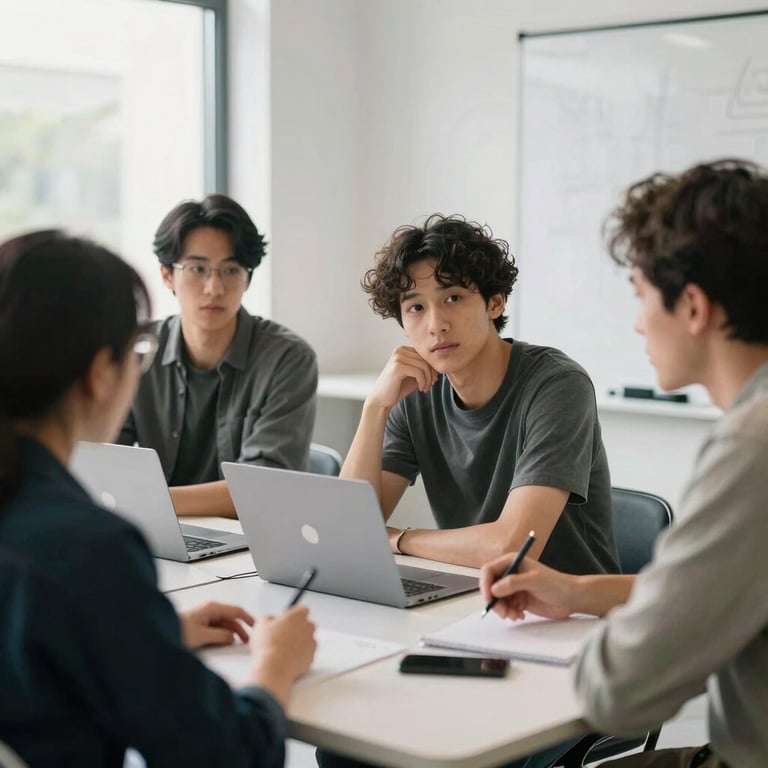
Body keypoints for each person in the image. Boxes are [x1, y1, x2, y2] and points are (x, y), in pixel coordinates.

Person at [481, 159, 768, 768]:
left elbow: (622, 691)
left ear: (692, 306)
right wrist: (577, 591)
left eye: (640, 295)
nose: (636, 322)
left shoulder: (753, 445)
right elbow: (721, 588)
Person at [0, 231, 317, 766]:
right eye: (136, 354)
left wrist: (151, 632)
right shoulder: (90, 549)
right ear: (102, 374)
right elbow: (228, 756)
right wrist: (274, 668)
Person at [341, 213, 619, 572]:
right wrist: (375, 407)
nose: (436, 324)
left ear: (495, 303)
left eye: (453, 297)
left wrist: (397, 539)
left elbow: (512, 549)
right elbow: (349, 529)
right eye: (415, 307)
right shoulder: (416, 391)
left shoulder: (557, 385)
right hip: (474, 596)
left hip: (569, 614)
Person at [118, 195, 317, 518]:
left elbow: (262, 490)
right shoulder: (137, 352)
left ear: (247, 278)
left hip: (251, 543)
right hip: (156, 532)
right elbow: (105, 463)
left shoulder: (288, 359)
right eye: (197, 268)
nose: (214, 287)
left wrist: (147, 502)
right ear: (167, 274)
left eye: (230, 269)